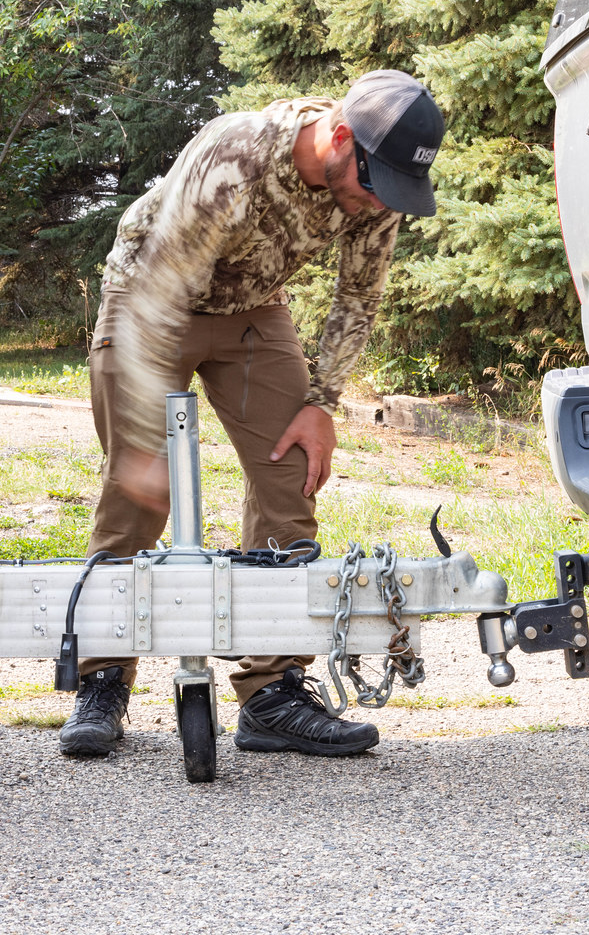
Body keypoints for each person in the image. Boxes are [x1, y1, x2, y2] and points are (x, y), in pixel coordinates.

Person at [59, 69, 444, 758]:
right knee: (136, 490)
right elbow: (159, 289)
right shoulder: (235, 157)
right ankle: (104, 679)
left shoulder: (374, 184)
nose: (376, 201)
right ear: (338, 135)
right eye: (372, 182)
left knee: (290, 478)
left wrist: (320, 403)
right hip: (150, 299)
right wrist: (146, 435)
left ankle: (271, 692)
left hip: (251, 312)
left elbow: (357, 297)